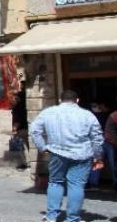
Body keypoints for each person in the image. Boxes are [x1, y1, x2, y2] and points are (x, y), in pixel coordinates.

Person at [30, 90, 104, 222]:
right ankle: (73, 218)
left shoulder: (48, 112)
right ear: (77, 100)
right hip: (82, 154)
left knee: (55, 182)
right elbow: (97, 138)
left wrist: (42, 147)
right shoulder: (87, 115)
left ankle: (51, 216)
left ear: (60, 100)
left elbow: (34, 130)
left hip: (57, 153)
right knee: (76, 186)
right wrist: (98, 156)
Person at [104, 109, 117, 192]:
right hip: (112, 143)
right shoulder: (114, 115)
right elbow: (110, 133)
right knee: (114, 165)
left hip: (112, 142)